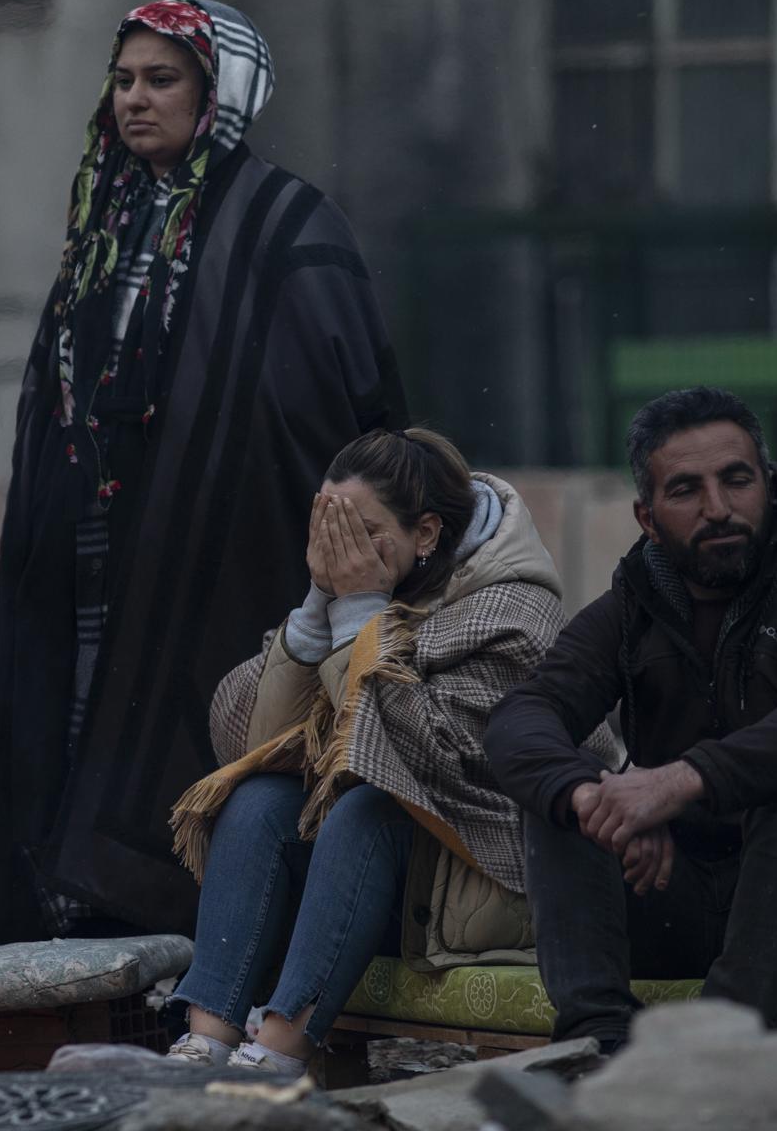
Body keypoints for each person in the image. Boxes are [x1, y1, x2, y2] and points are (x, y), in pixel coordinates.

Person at [0, 0, 408, 945]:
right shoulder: (99, 221)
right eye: (123, 80)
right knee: (73, 723)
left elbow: (345, 406)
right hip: (86, 545)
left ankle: (190, 952)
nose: (135, 99)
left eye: (162, 79)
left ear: (222, 93)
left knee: (191, 732)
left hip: (215, 544)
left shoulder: (288, 221)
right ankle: (67, 940)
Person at [483, 386, 777, 1053]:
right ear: (648, 518)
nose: (718, 508)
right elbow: (519, 717)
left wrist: (676, 783)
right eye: (686, 490)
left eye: (736, 480)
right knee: (557, 795)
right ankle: (596, 1047)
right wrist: (599, 801)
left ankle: (717, 1053)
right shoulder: (628, 612)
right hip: (677, 896)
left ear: (767, 486)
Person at [162, 429, 580, 1071]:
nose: (343, 549)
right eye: (329, 526)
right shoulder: (382, 587)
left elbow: (418, 761)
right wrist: (316, 608)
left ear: (428, 534)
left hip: (494, 880)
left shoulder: (514, 615)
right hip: (386, 880)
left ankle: (279, 1055)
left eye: (363, 531)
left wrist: (359, 616)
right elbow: (250, 738)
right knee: (260, 797)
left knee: (369, 809)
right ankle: (209, 1038)